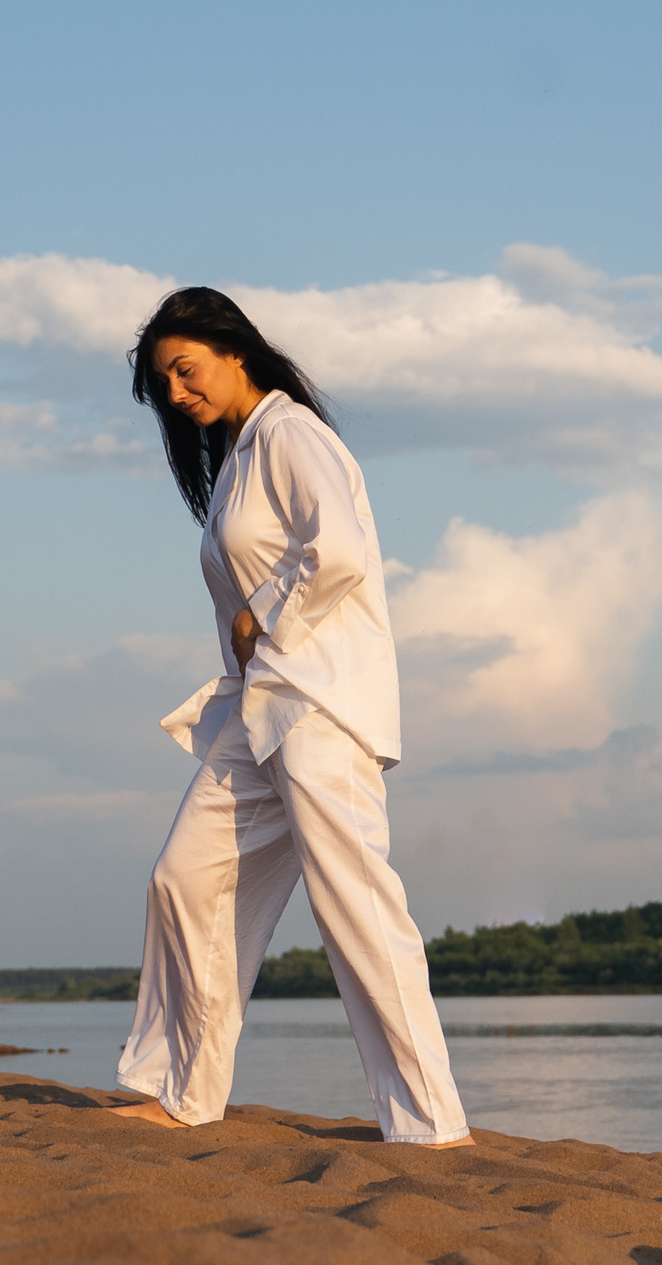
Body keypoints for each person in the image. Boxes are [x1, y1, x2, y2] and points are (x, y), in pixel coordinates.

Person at [115, 285, 470, 1146]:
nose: (175, 393)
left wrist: (260, 612)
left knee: (356, 907)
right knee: (184, 877)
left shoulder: (291, 433)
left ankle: (430, 1126)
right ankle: (181, 1090)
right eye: (162, 383)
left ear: (232, 349)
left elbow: (340, 551)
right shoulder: (239, 454)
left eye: (184, 369)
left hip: (317, 704)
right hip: (260, 712)